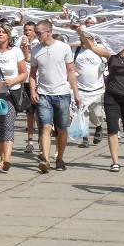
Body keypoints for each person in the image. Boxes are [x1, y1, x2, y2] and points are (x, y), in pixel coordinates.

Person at [78, 29, 124, 171]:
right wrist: (82, 34)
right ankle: (115, 161)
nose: (119, 45)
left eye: (122, 42)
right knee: (112, 129)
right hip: (112, 96)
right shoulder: (110, 55)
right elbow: (92, 47)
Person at [29, 20, 82, 173]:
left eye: (38, 33)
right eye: (35, 33)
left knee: (62, 128)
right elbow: (32, 74)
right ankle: (45, 159)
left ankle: (59, 158)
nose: (36, 36)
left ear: (48, 31)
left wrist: (76, 94)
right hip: (44, 94)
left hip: (62, 94)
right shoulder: (36, 50)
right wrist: (33, 90)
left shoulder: (63, 48)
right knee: (45, 126)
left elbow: (71, 72)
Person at [0, 22, 26, 172]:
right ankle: (2, 157)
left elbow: (24, 73)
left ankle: (8, 158)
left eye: (3, 32)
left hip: (11, 93)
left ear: (9, 35)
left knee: (8, 123)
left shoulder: (16, 51)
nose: (0, 34)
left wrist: (12, 81)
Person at [71, 26, 106, 148]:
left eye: (87, 36)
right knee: (82, 114)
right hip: (81, 89)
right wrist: (74, 71)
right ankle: (85, 138)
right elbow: (70, 67)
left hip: (97, 89)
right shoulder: (75, 51)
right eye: (82, 37)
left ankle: (98, 126)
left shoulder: (99, 50)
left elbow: (106, 65)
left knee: (96, 114)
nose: (84, 39)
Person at [20, 21, 38, 153]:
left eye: (30, 30)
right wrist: (23, 47)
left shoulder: (39, 44)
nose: (27, 32)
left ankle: (42, 139)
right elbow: (23, 59)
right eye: (26, 30)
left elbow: (29, 59)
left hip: (40, 82)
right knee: (30, 113)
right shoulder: (20, 43)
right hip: (26, 82)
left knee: (40, 113)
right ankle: (30, 140)